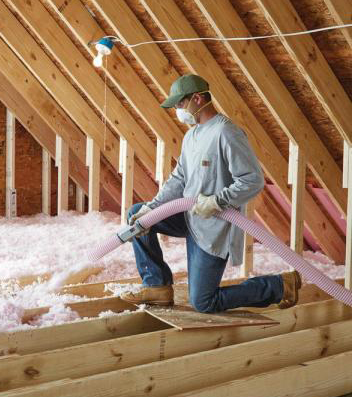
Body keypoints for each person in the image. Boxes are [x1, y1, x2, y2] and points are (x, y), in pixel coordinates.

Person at [120, 74, 301, 313]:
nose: (177, 110)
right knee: (138, 216)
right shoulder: (192, 136)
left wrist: (217, 201)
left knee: (204, 302)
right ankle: (157, 287)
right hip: (189, 217)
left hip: (213, 227)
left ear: (197, 98)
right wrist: (152, 208)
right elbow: (179, 178)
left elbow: (252, 180)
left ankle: (278, 286)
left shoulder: (226, 133)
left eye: (180, 104)